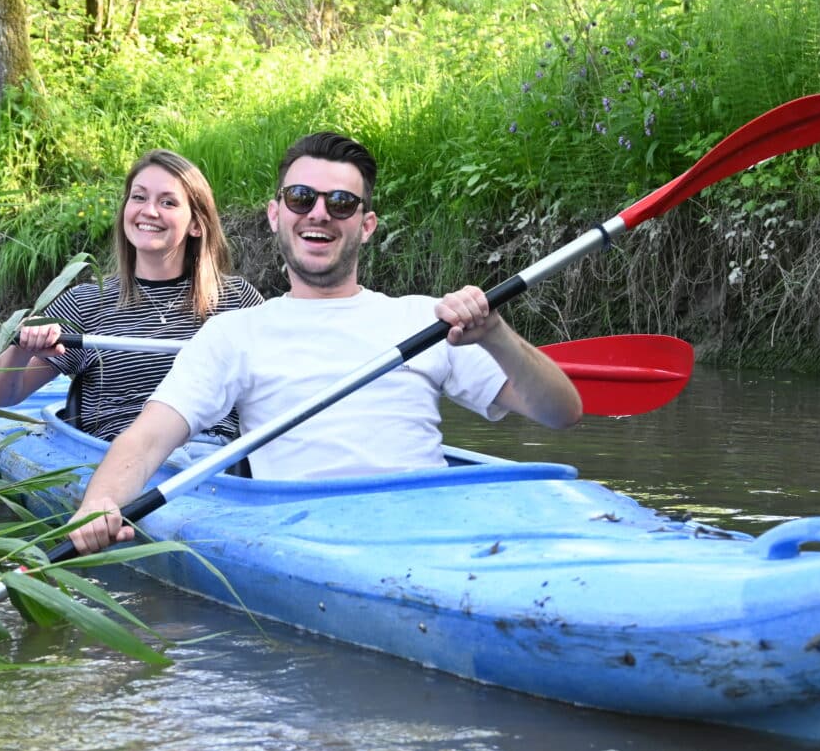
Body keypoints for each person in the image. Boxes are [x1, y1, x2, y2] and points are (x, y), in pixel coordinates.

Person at [65, 131, 582, 553]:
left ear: (366, 224)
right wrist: (100, 505)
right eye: (300, 198)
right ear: (275, 215)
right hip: (310, 536)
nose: (318, 213)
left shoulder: (424, 318)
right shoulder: (234, 333)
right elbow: (149, 437)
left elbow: (562, 412)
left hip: (432, 527)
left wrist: (496, 335)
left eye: (340, 203)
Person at [0, 149, 263, 445]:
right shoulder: (85, 304)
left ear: (196, 224)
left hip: (212, 461)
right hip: (117, 460)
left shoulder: (238, 301)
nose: (149, 211)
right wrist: (21, 349)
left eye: (168, 202)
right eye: (138, 197)